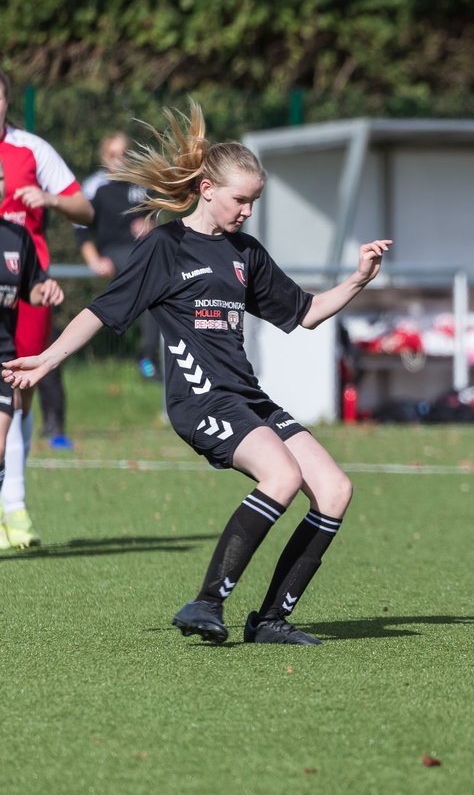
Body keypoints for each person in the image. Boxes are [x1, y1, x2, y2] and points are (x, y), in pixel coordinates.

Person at [3, 101, 392, 646]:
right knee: (280, 477)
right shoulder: (164, 246)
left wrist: (357, 279)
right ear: (207, 188)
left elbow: (303, 314)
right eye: (240, 200)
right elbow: (102, 311)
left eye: (254, 202)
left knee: (334, 490)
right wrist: (46, 359)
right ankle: (207, 602)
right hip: (201, 401)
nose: (246, 212)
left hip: (247, 398)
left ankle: (271, 619)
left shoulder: (245, 253)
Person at [0, 69, 93, 542]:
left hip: (25, 285)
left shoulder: (31, 149)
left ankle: (13, 507)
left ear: (6, 99)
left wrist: (50, 199)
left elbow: (85, 210)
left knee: (19, 392)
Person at [0, 158, 64, 550]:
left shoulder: (16, 237)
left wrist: (47, 291)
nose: (1, 182)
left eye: (2, 176)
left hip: (3, 358)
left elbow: (32, 287)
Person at [77, 131, 161, 381]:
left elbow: (157, 217)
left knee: (160, 290)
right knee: (149, 280)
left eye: (124, 153)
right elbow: (81, 230)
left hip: (144, 251)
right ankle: (146, 358)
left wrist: (149, 224)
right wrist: (93, 260)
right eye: (113, 154)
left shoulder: (142, 183)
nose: (119, 159)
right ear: (104, 156)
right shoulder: (95, 186)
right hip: (115, 252)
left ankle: (150, 356)